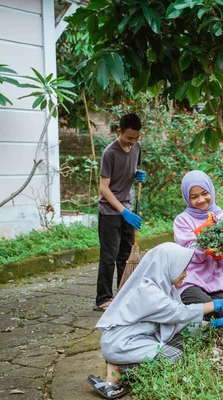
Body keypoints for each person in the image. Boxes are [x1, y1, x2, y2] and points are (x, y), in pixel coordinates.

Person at [86, 242, 223, 399]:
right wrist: (216, 304)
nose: (186, 274)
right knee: (174, 357)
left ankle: (119, 365)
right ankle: (118, 368)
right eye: (183, 268)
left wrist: (214, 324)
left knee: (188, 339)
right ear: (168, 265)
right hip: (121, 343)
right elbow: (179, 313)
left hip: (138, 338)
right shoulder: (148, 291)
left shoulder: (166, 288)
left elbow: (180, 323)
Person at [94, 113, 146, 312]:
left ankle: (124, 292)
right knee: (109, 255)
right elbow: (104, 188)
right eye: (128, 138)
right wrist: (123, 211)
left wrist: (137, 176)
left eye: (136, 138)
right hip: (110, 211)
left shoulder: (137, 147)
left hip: (128, 207)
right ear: (119, 132)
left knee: (125, 254)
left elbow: (129, 171)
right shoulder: (110, 153)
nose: (132, 142)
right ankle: (103, 298)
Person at [173, 170, 223, 311]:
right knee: (204, 306)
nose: (201, 200)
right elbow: (192, 257)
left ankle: (206, 321)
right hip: (190, 280)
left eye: (204, 193)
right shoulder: (182, 220)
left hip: (216, 282)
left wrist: (220, 254)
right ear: (187, 198)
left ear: (211, 191)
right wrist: (204, 238)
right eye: (194, 197)